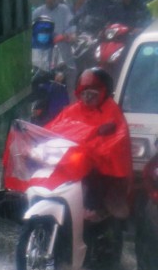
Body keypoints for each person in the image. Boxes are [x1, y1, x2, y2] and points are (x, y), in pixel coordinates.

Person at [45, 67, 132, 222]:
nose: (87, 98)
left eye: (92, 94)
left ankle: (95, 209)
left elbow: (117, 139)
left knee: (96, 180)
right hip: (72, 161)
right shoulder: (74, 109)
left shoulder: (111, 110)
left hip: (99, 166)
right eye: (84, 93)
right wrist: (39, 138)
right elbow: (54, 127)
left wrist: (96, 146)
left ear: (104, 92)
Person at [31, 0, 76, 101]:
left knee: (69, 87)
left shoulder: (64, 10)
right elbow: (31, 32)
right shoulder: (37, 12)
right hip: (43, 56)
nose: (50, 0)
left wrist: (66, 36)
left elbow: (71, 29)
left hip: (63, 55)